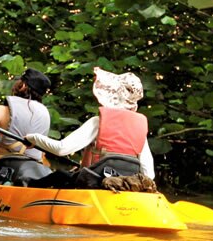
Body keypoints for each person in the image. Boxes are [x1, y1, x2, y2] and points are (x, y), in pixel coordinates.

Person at [26, 66, 155, 185]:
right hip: (124, 186)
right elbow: (149, 174)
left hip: (96, 184)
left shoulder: (99, 122)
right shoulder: (139, 127)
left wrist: (33, 138)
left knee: (59, 176)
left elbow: (61, 149)